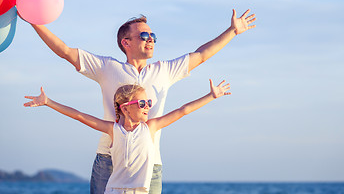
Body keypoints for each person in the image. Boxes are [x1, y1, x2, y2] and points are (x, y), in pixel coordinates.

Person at [28, 8, 256, 194]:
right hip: (108, 160)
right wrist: (34, 22)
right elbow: (66, 52)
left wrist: (233, 31)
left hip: (150, 163)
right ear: (125, 42)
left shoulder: (165, 70)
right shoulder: (108, 67)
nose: (151, 40)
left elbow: (202, 55)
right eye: (144, 36)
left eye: (153, 36)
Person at [24, 79, 231, 194]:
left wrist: (211, 95)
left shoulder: (150, 127)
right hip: (113, 191)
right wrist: (48, 102)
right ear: (124, 108)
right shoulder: (112, 130)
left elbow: (183, 110)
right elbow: (79, 116)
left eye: (148, 103)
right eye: (142, 104)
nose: (147, 107)